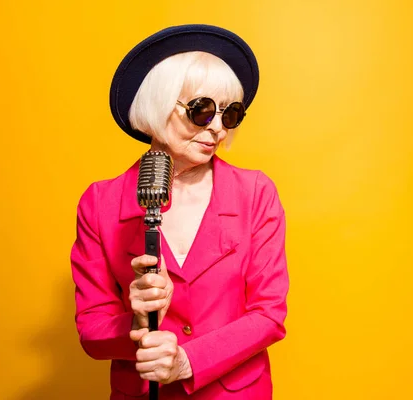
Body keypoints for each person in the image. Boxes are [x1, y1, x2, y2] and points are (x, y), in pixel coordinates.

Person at [70, 24, 289, 399]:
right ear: (159, 102)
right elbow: (92, 330)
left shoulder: (255, 193)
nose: (218, 129)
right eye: (202, 110)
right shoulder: (100, 203)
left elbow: (269, 314)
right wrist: (136, 323)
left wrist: (187, 361)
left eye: (230, 113)